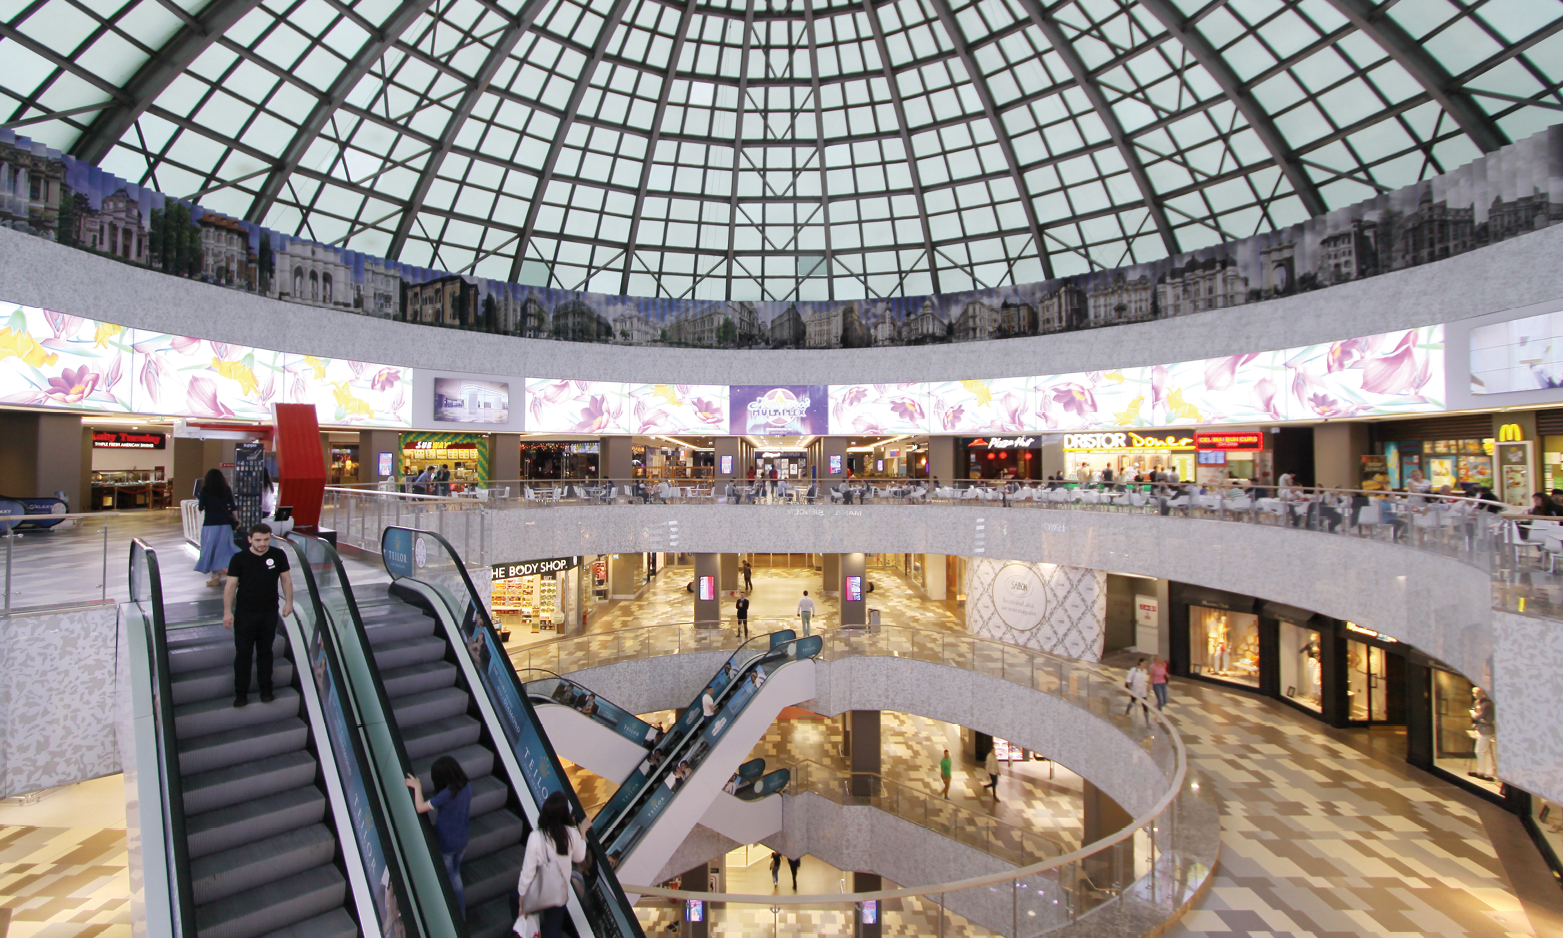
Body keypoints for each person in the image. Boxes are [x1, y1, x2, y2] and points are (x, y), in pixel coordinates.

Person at [223, 523, 293, 707]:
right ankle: (241, 694)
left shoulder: (278, 555)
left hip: (268, 613)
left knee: (265, 652)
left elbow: (286, 580)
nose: (262, 543)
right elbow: (230, 586)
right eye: (258, 540)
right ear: (250, 540)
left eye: (266, 539)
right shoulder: (239, 559)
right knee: (243, 653)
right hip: (245, 614)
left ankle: (266, 690)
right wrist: (227, 611)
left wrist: (289, 602)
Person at [406, 756, 472, 917]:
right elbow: (455, 812)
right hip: (462, 839)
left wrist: (417, 787)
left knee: (449, 879)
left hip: (447, 843)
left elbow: (420, 807)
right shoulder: (466, 786)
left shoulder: (447, 794)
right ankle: (461, 912)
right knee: (456, 873)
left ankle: (456, 915)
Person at [516, 790, 586, 938]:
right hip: (558, 893)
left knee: (515, 902)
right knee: (553, 930)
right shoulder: (571, 834)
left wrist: (522, 897)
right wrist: (582, 833)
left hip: (538, 890)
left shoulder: (536, 837)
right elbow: (579, 857)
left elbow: (527, 872)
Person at [194, 468, 239, 588]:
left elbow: (201, 508)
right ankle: (233, 572)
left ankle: (215, 576)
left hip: (210, 525)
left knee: (210, 549)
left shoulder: (204, 490)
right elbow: (233, 507)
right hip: (225, 524)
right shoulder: (226, 489)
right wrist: (236, 520)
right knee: (225, 548)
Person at [1471, 688, 1497, 781]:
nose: (1474, 695)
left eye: (1475, 693)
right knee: (1486, 752)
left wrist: (1473, 713)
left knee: (1480, 751)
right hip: (1482, 729)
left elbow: (1478, 716)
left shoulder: (1487, 705)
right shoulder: (1479, 703)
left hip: (1486, 731)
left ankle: (1482, 772)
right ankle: (1487, 773)